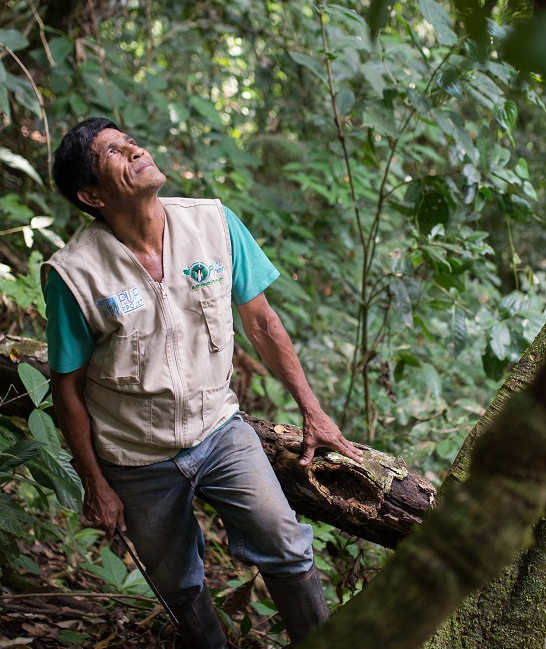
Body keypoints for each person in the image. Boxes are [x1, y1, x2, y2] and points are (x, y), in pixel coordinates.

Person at [43, 117, 362, 648]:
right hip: (134, 458)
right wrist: (96, 484)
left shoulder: (212, 223)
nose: (135, 149)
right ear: (91, 194)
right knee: (177, 583)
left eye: (130, 140)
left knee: (285, 543)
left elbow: (261, 322)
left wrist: (313, 408)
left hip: (219, 431)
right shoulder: (75, 274)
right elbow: (67, 389)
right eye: (114, 153)